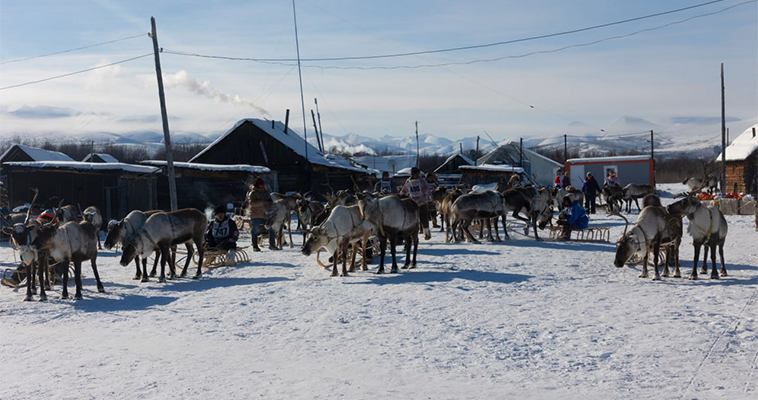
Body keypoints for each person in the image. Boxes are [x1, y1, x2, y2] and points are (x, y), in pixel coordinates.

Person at [399, 167, 432, 240]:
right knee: (411, 220)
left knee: (424, 218)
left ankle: (426, 232)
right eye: (415, 174)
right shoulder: (408, 181)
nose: (417, 175)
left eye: (418, 173)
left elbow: (427, 189)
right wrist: (401, 196)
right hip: (412, 203)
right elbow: (404, 190)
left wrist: (427, 197)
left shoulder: (422, 181)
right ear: (412, 174)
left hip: (422, 202)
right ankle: (410, 235)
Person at [247, 178, 275, 251]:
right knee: (255, 230)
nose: (262, 186)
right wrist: (263, 202)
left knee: (271, 229)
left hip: (265, 214)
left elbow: (270, 200)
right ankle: (255, 246)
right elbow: (252, 203)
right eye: (260, 185)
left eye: (262, 184)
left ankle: (272, 245)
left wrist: (270, 203)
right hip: (255, 215)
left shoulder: (265, 192)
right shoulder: (252, 193)